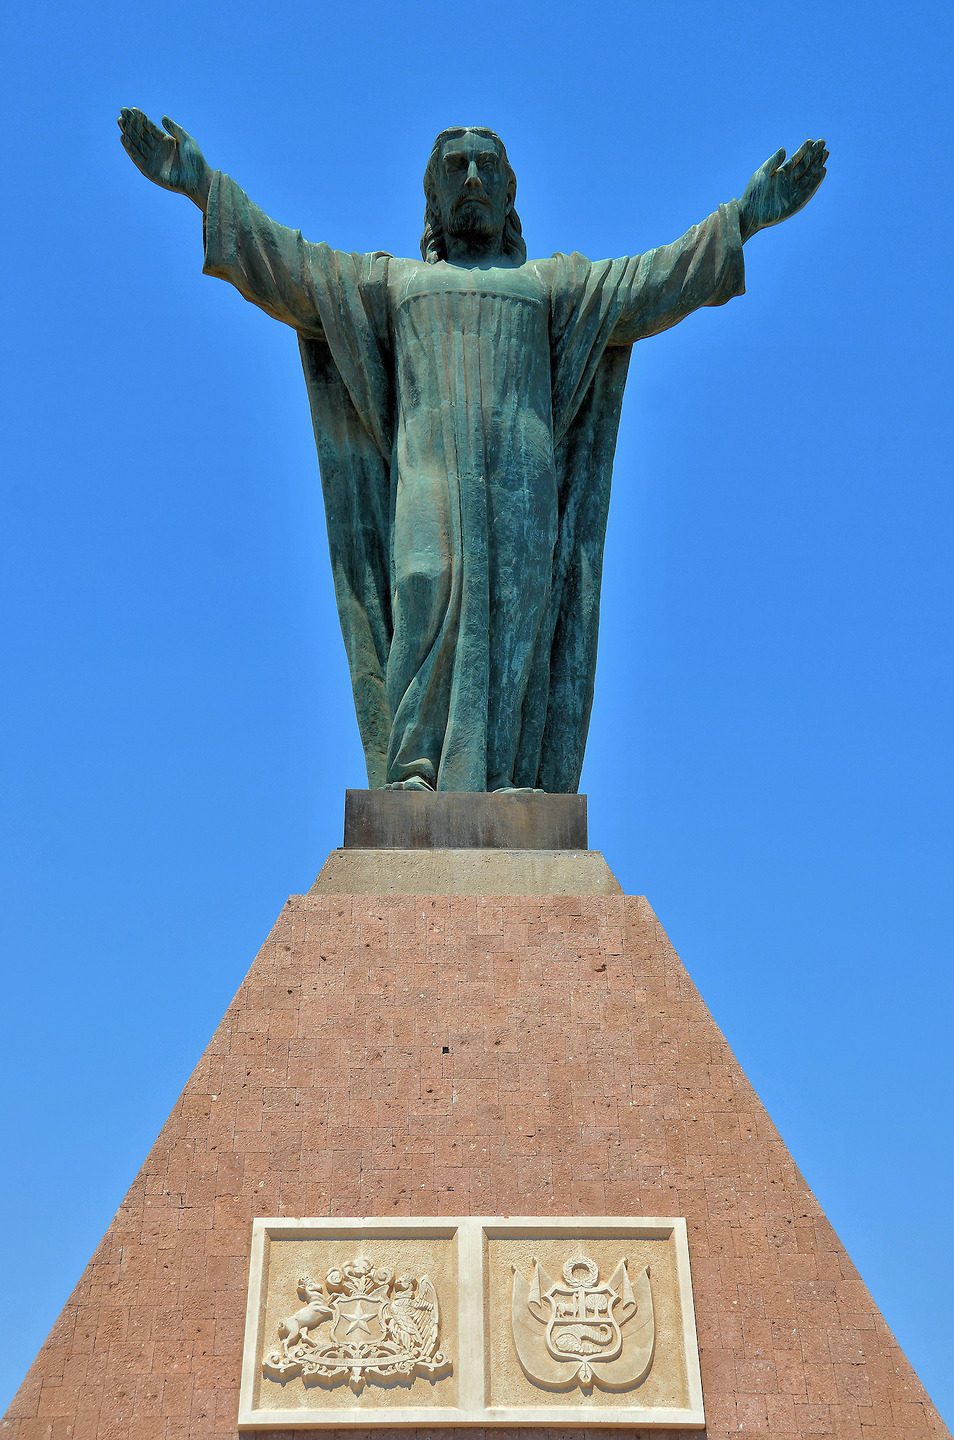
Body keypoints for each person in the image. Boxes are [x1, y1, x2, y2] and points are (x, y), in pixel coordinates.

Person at [118, 113, 827, 793]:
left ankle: (509, 778)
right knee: (423, 587)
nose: (472, 179)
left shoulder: (552, 287)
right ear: (431, 193)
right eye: (455, 168)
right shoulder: (393, 284)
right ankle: (416, 773)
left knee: (518, 617)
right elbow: (291, 266)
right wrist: (202, 188)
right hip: (428, 480)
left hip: (524, 483)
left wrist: (743, 218)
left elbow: (655, 280)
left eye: (487, 167)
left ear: (511, 190)